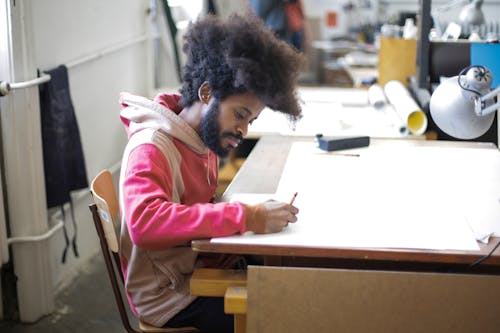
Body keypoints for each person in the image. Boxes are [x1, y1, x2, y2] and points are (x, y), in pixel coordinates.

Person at [118, 13, 304, 333]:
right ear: (206, 93)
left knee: (290, 272)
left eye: (251, 121)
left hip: (193, 268)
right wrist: (248, 216)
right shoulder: (152, 147)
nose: (243, 129)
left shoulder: (201, 138)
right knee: (277, 312)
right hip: (168, 295)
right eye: (240, 114)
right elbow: (143, 223)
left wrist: (245, 217)